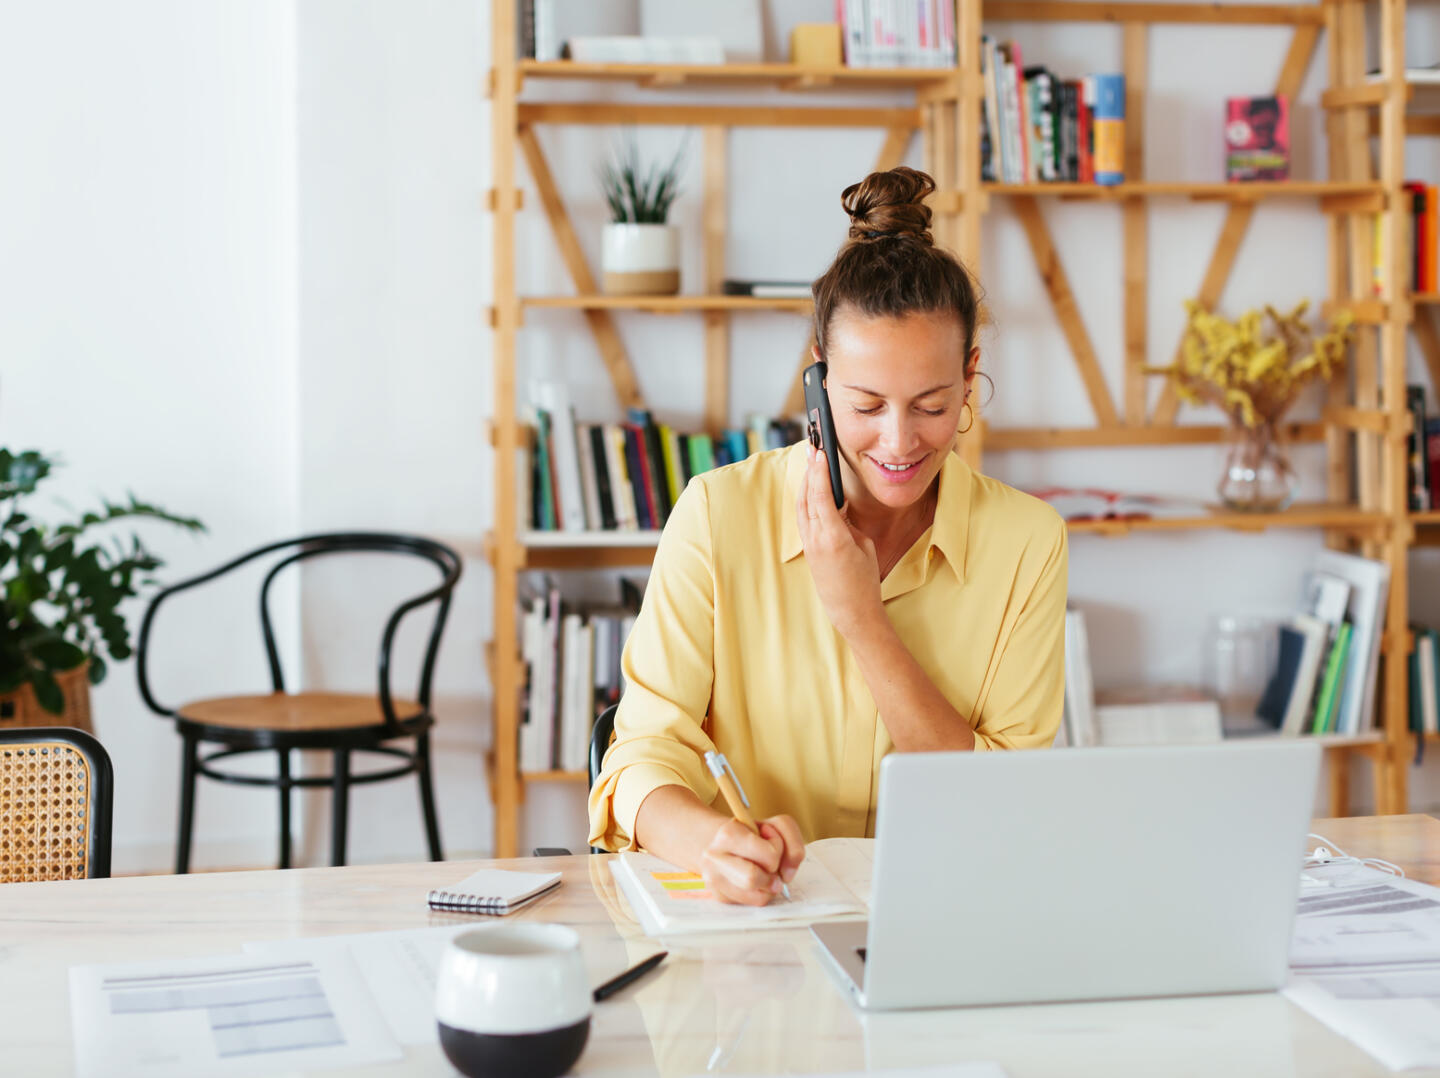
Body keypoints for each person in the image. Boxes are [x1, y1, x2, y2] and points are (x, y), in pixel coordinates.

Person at [587, 166, 1068, 905]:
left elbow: (1000, 806)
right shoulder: (719, 514)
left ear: (970, 377)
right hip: (756, 928)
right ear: (818, 379)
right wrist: (710, 845)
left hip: (945, 913)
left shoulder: (1028, 542)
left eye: (933, 404)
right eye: (867, 404)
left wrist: (859, 616)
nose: (899, 440)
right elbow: (642, 756)